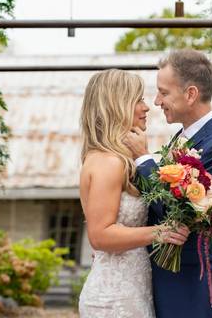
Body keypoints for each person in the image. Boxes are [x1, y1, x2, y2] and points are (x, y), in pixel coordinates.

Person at [125, 49, 212, 318]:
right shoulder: (184, 138)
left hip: (189, 284)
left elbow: (176, 215)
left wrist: (144, 159)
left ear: (190, 94)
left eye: (164, 93)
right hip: (166, 278)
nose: (157, 101)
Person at [78, 69, 190, 318]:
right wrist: (162, 232)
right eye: (138, 99)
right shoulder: (108, 162)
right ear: (116, 105)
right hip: (115, 298)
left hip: (133, 288)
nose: (146, 106)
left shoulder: (118, 159)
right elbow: (99, 236)